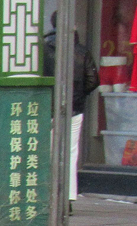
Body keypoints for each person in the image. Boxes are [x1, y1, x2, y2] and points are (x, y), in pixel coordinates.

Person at [43, 11, 100, 202]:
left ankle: (48, 195)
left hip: (47, 107)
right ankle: (67, 197)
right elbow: (93, 80)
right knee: (70, 151)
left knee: (47, 152)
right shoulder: (82, 52)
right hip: (73, 108)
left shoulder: (42, 49)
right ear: (72, 27)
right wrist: (79, 94)